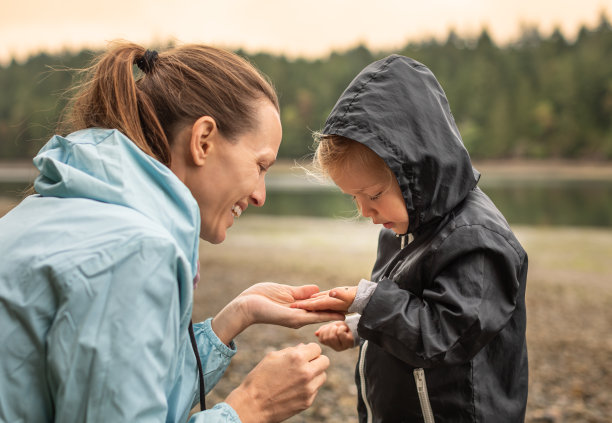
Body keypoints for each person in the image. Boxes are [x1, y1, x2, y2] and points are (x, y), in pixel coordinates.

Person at [0, 42, 344, 423]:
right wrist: (252, 407)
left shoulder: (56, 212)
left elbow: (127, 393)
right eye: (261, 165)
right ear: (203, 141)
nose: (261, 195)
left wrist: (235, 317)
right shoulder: (133, 251)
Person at [292, 55, 529, 422]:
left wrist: (369, 302)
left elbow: (443, 335)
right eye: (353, 198)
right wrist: (359, 327)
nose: (365, 212)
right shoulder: (400, 227)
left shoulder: (477, 240)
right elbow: (408, 306)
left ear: (416, 173)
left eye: (372, 195)